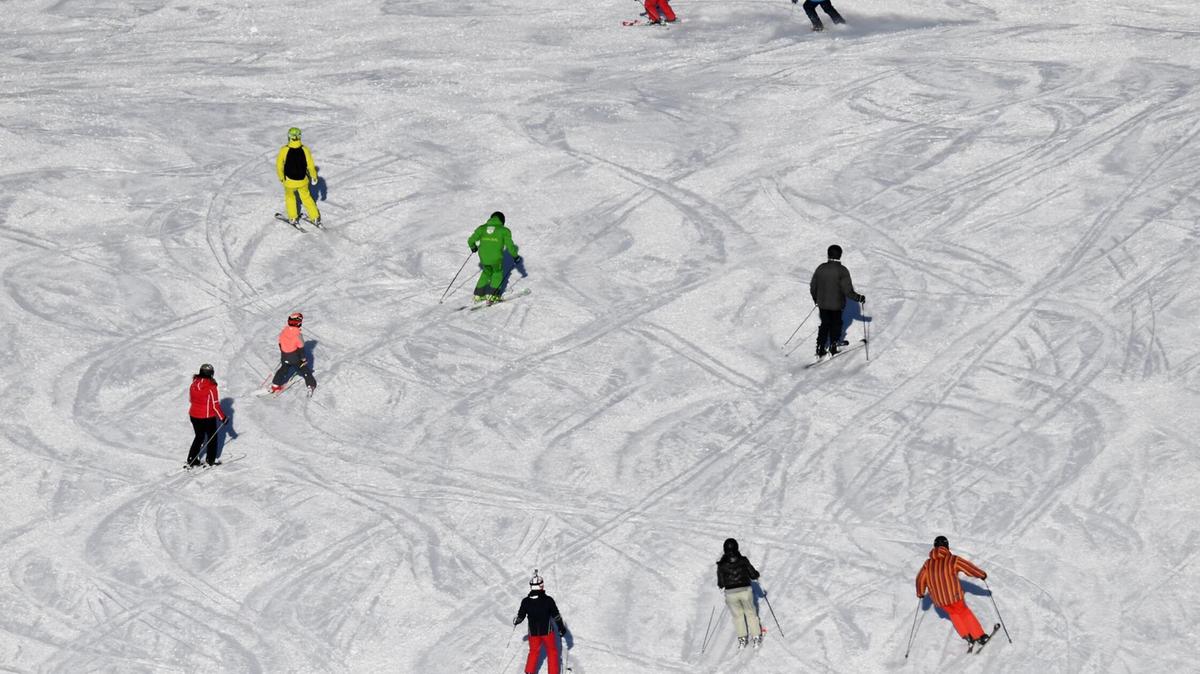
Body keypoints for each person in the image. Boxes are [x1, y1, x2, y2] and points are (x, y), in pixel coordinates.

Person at [915, 536, 991, 647]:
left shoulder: (928, 564)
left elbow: (920, 579)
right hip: (953, 596)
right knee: (964, 612)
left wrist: (920, 592)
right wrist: (981, 575)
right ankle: (979, 636)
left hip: (940, 600)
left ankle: (967, 635)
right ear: (947, 546)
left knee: (953, 614)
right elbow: (968, 568)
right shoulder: (952, 560)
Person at [809, 244, 865, 360]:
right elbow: (848, 291)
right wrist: (859, 298)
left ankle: (820, 347)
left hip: (822, 304)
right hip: (837, 305)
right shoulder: (842, 270)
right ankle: (834, 346)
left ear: (828, 254)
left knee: (825, 324)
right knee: (836, 324)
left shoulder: (821, 268)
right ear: (840, 255)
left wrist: (816, 299)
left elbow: (813, 286)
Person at [514, 570, 569, 674]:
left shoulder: (525, 601)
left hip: (533, 633)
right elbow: (556, 616)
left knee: (533, 651)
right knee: (552, 651)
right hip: (547, 632)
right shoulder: (548, 600)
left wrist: (517, 621)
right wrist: (561, 628)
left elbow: (521, 616)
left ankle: (529, 672)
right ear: (541, 586)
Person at [716, 538, 763, 648]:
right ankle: (756, 637)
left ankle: (742, 639)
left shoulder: (721, 564)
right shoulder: (743, 560)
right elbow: (753, 575)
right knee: (751, 613)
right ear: (737, 547)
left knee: (737, 616)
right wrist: (756, 575)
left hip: (731, 594)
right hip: (745, 591)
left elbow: (720, 583)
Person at [467, 211, 521, 303]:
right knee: (497, 273)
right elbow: (510, 246)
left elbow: (470, 240)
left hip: (483, 257)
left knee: (486, 272)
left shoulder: (482, 228)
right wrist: (515, 256)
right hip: (496, 258)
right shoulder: (504, 230)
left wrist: (473, 247)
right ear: (502, 220)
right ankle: (493, 295)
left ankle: (478, 295)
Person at [275, 127, 321, 226]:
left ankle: (293, 218)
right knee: (306, 198)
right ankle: (315, 217)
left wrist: (281, 177)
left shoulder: (284, 150)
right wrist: (314, 176)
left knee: (290, 198)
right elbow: (310, 165)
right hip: (303, 180)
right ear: (299, 137)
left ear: (289, 137)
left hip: (289, 181)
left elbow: (279, 165)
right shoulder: (305, 149)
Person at [187, 364, 227, 468]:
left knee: (199, 437)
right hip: (207, 417)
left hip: (194, 415)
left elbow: (191, 399)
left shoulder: (194, 384)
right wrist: (223, 418)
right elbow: (215, 405)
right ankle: (210, 460)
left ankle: (192, 459)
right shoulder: (211, 387)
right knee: (212, 437)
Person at [270, 312, 317, 394]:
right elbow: (301, 349)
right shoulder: (298, 335)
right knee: (304, 369)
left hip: (284, 356)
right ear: (299, 323)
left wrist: (284, 353)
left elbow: (280, 343)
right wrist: (303, 359)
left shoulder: (284, 331)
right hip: (295, 357)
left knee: (283, 369)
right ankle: (310, 384)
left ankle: (275, 384)